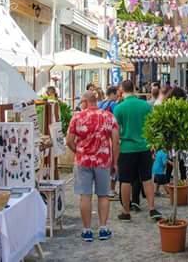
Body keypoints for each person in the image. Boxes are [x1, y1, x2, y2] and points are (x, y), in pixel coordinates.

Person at [66, 91, 119, 242]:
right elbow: (115, 141)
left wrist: (78, 151)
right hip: (103, 161)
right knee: (103, 195)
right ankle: (103, 228)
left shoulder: (77, 117)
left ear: (85, 101)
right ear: (96, 101)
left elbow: (69, 140)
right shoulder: (109, 116)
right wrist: (115, 161)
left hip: (83, 161)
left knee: (85, 195)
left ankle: (87, 230)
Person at [113, 80, 161, 222]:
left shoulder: (119, 108)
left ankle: (126, 211)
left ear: (122, 90)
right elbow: (152, 126)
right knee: (147, 179)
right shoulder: (145, 106)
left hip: (127, 148)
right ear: (134, 89)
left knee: (125, 181)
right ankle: (152, 208)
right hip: (144, 147)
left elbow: (116, 132)